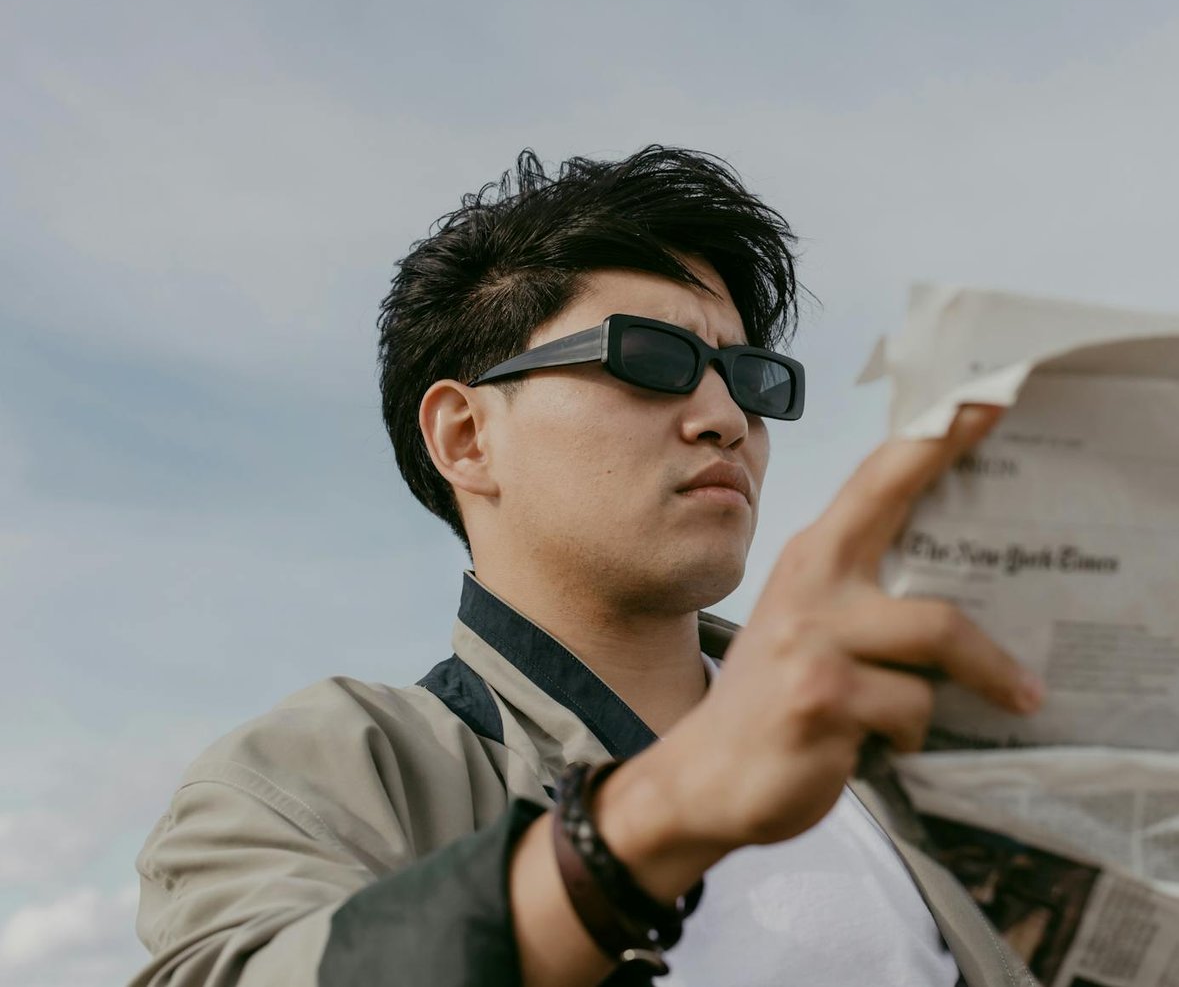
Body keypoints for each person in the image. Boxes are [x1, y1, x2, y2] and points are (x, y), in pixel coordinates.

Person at [131, 146, 1044, 987]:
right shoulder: (339, 767)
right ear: (466, 436)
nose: (725, 415)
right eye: (652, 359)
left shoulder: (893, 757)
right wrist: (659, 814)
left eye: (752, 376)